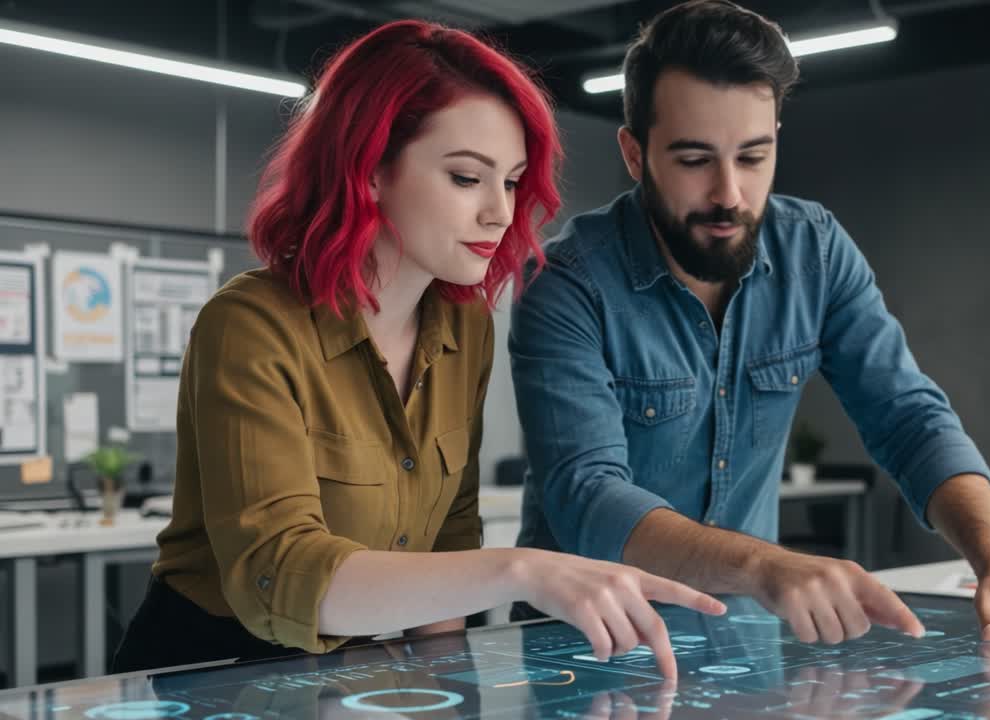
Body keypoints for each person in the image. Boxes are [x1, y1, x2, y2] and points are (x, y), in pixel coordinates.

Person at [112, 18, 723, 679]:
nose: (499, 212)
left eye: (512, 181)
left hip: (352, 673)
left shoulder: (463, 326)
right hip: (212, 669)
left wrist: (448, 687)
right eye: (467, 178)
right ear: (369, 170)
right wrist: (522, 570)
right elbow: (275, 574)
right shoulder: (251, 325)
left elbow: (449, 534)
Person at [509, 0, 990, 648]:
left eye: (753, 156)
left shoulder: (816, 251)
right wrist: (765, 565)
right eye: (694, 160)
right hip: (586, 648)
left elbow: (908, 417)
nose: (730, 194)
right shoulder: (567, 281)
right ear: (635, 155)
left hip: (741, 642)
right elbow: (588, 498)